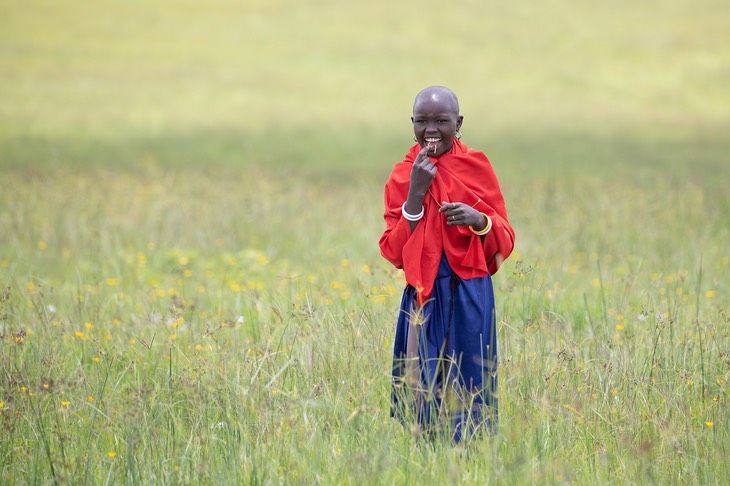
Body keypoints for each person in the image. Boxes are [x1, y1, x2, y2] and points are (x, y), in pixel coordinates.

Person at [379, 86, 515, 441]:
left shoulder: (476, 166)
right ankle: (428, 457)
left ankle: (471, 459)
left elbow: (505, 237)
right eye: (422, 121)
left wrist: (479, 220)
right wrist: (415, 195)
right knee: (421, 385)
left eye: (441, 120)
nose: (432, 130)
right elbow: (393, 251)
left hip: (470, 290)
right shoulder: (404, 173)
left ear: (459, 122)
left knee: (471, 382)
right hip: (423, 293)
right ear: (412, 123)